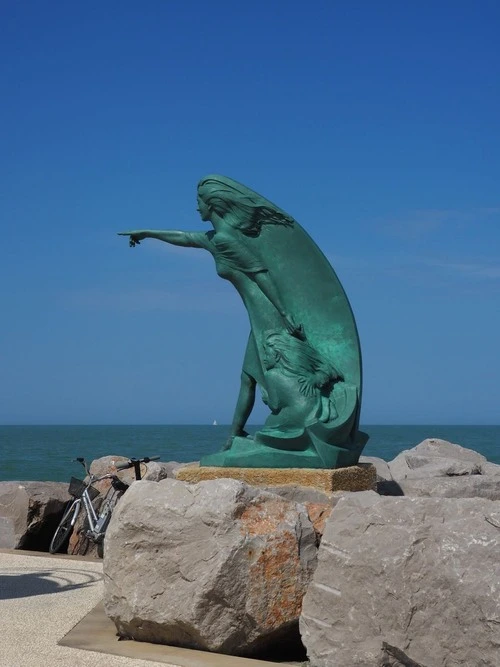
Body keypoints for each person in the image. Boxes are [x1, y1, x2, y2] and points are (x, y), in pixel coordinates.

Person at [119, 174, 303, 443]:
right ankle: (234, 434)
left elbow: (262, 275)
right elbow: (183, 237)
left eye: (198, 202)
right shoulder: (215, 239)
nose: (196, 208)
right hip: (260, 316)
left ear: (212, 205)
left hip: (269, 316)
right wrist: (147, 233)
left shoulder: (227, 241)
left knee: (255, 376)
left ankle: (250, 431)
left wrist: (285, 313)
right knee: (248, 377)